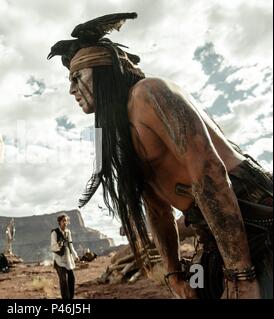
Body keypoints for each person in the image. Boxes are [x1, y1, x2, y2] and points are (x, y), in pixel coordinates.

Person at [48, 13, 272, 299]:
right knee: (202, 289)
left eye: (77, 77)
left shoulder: (149, 94)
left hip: (255, 216)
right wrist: (175, 275)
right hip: (211, 234)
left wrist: (240, 274)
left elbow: (209, 172)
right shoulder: (120, 136)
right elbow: (157, 210)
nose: (71, 89)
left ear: (103, 70)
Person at [51, 214, 79, 299]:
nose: (65, 222)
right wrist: (59, 245)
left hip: (68, 259)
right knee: (63, 281)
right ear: (59, 222)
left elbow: (70, 244)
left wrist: (75, 255)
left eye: (66, 221)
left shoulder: (68, 232)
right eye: (63, 221)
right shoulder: (55, 232)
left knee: (71, 279)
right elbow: (53, 246)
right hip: (59, 259)